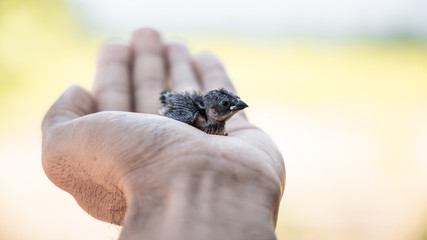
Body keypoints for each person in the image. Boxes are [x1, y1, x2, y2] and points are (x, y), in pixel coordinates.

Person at [41, 28, 285, 240]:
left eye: (234, 105)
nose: (235, 109)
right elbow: (169, 111)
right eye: (225, 107)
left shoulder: (217, 125)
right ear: (211, 110)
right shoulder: (194, 116)